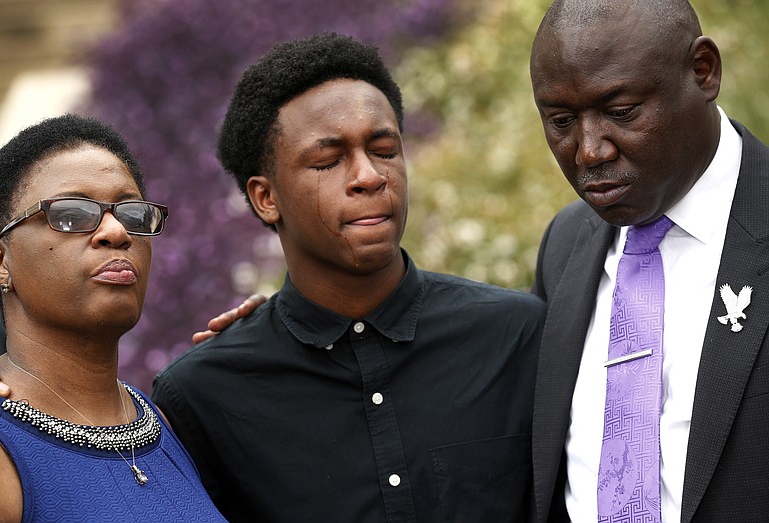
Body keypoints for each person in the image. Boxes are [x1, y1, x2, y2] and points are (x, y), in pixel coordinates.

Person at [151, 32, 545, 522]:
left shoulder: (519, 337)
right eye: (328, 160)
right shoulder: (204, 395)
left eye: (384, 150)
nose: (368, 176)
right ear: (265, 198)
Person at [529, 0, 769, 521]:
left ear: (703, 72)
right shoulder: (565, 243)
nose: (589, 151)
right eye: (562, 121)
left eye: (621, 112)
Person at [0, 114, 227, 521]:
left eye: (133, 214)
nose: (117, 232)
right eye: (71, 215)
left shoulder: (159, 423)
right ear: (0, 262)